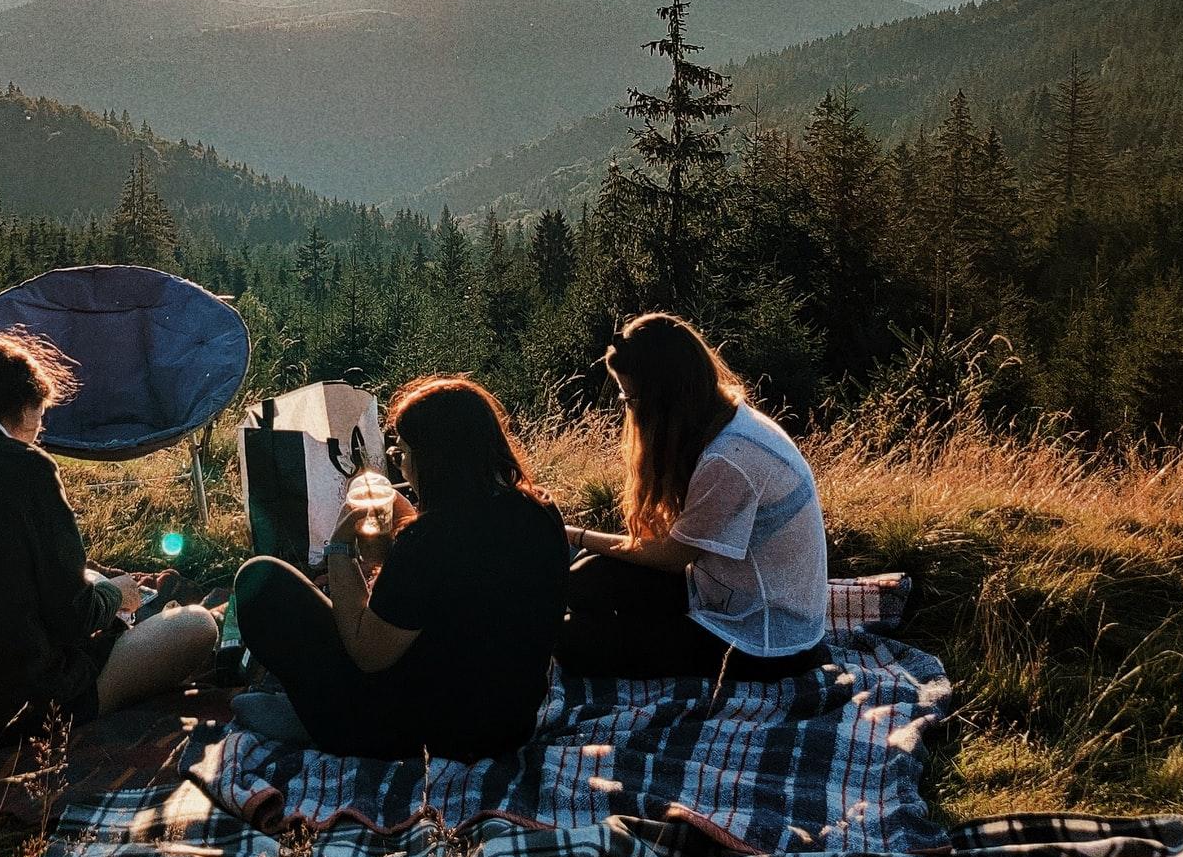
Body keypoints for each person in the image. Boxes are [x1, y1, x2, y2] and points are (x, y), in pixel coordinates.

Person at [0, 331, 219, 750]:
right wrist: (114, 597)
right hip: (6, 711)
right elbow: (71, 618)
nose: (40, 428)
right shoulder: (29, 470)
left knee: (89, 578)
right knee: (196, 625)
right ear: (23, 407)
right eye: (40, 414)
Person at [230, 374, 571, 760]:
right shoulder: (541, 512)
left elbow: (367, 653)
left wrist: (340, 547)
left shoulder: (431, 541)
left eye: (404, 454)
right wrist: (408, 521)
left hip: (416, 733)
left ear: (434, 460)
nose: (401, 465)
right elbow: (462, 591)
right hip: (510, 724)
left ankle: (320, 721)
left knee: (261, 580)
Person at [558, 312, 828, 681]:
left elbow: (671, 556)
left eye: (630, 398)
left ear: (663, 398)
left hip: (764, 635)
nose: (628, 408)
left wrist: (576, 536)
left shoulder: (729, 459)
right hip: (724, 590)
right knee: (585, 578)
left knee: (573, 641)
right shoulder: (725, 421)